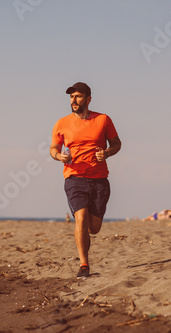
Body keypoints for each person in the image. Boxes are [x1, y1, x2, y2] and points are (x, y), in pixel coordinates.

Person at [50, 82, 121, 278]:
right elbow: (53, 149)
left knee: (94, 228)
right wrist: (59, 157)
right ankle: (84, 265)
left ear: (88, 99)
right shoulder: (62, 123)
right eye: (71, 96)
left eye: (78, 96)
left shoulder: (103, 120)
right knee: (80, 219)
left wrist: (106, 153)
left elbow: (116, 143)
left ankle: (85, 241)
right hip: (74, 178)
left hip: (99, 179)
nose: (74, 100)